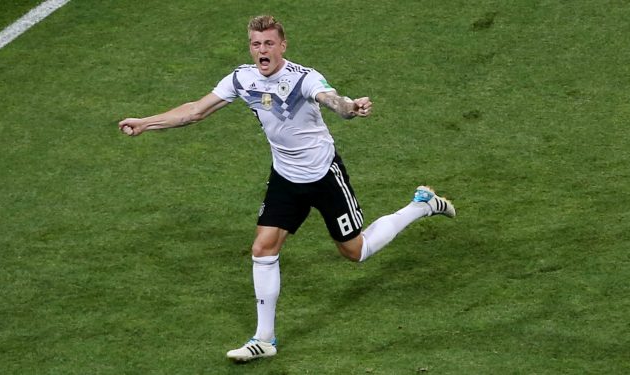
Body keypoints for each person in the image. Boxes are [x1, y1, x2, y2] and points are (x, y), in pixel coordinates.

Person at [118, 15, 455, 362]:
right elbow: (194, 111)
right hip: (285, 178)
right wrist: (145, 123)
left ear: (282, 45)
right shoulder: (242, 78)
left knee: (356, 251)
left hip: (324, 176)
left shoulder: (303, 79)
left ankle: (421, 205)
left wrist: (350, 108)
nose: (261, 51)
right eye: (255, 44)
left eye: (268, 44)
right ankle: (264, 339)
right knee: (263, 248)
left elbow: (331, 100)